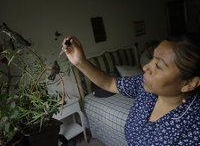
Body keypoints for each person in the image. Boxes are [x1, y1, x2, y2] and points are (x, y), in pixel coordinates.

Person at [62, 35, 200, 145]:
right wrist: (80, 61)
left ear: (189, 83)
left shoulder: (194, 130)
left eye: (158, 65)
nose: (145, 67)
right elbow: (110, 83)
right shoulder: (145, 87)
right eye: (152, 58)